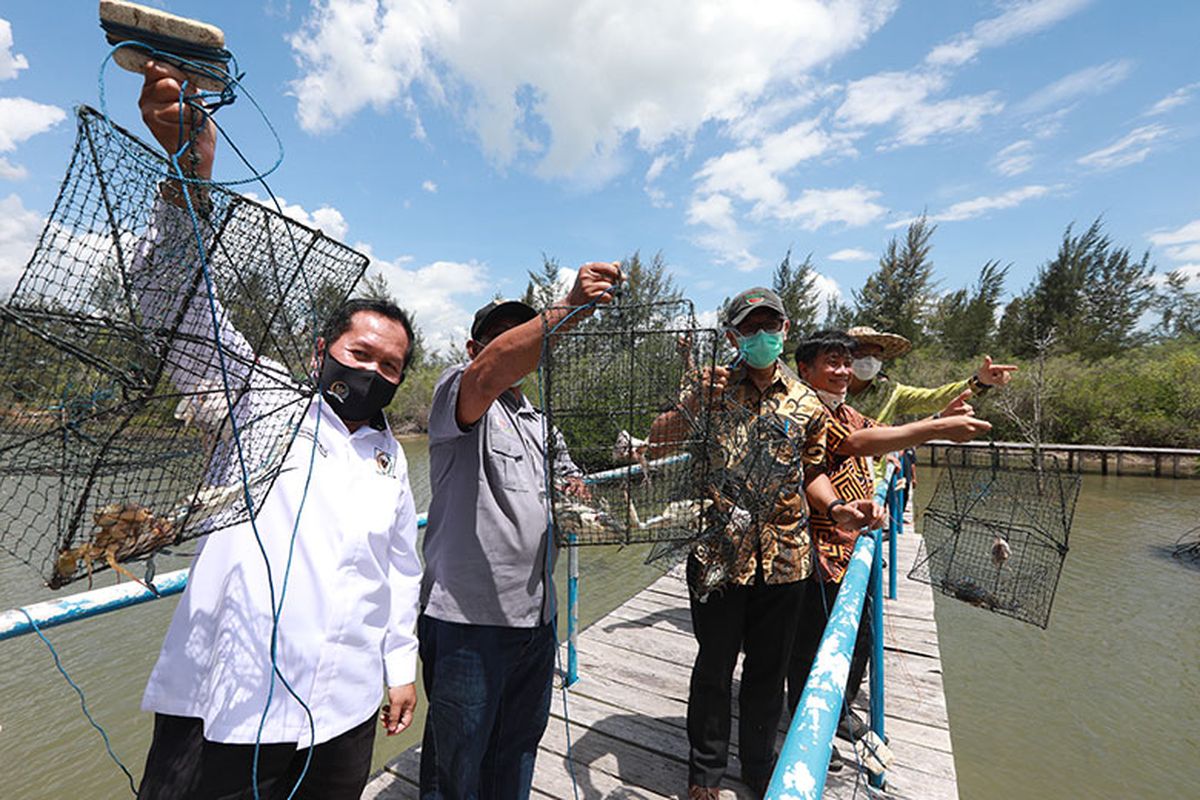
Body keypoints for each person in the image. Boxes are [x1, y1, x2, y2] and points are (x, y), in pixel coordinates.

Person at [134, 62, 422, 800]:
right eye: (361, 355)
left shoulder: (390, 454)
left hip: (346, 709)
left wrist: (399, 668)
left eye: (393, 367)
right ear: (322, 349)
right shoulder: (257, 394)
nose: (375, 375)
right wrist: (185, 184)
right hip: (227, 705)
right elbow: (175, 303)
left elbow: (399, 573)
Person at [647, 288, 880, 799]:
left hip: (787, 561)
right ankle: (703, 775)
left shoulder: (805, 402)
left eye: (769, 325)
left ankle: (758, 766)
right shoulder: (708, 388)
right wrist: (690, 403)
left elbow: (814, 471)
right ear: (732, 336)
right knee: (713, 666)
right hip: (717, 558)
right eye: (749, 328)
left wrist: (838, 509)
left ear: (785, 330)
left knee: (768, 672)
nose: (760, 336)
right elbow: (656, 442)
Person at [419, 269, 620, 799]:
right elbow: (489, 374)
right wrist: (570, 306)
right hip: (468, 620)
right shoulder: (456, 395)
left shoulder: (538, 422)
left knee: (518, 747)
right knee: (456, 762)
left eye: (524, 333)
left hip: (537, 615)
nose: (517, 347)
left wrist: (579, 495)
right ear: (475, 347)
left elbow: (569, 476)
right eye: (505, 337)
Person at [787, 330, 991, 756]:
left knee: (857, 635)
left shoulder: (846, 410)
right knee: (810, 646)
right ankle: (806, 734)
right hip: (814, 550)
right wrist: (937, 426)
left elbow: (881, 431)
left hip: (849, 547)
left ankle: (836, 712)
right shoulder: (804, 409)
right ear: (805, 369)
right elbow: (858, 444)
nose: (844, 371)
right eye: (833, 362)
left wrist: (939, 419)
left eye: (848, 362)